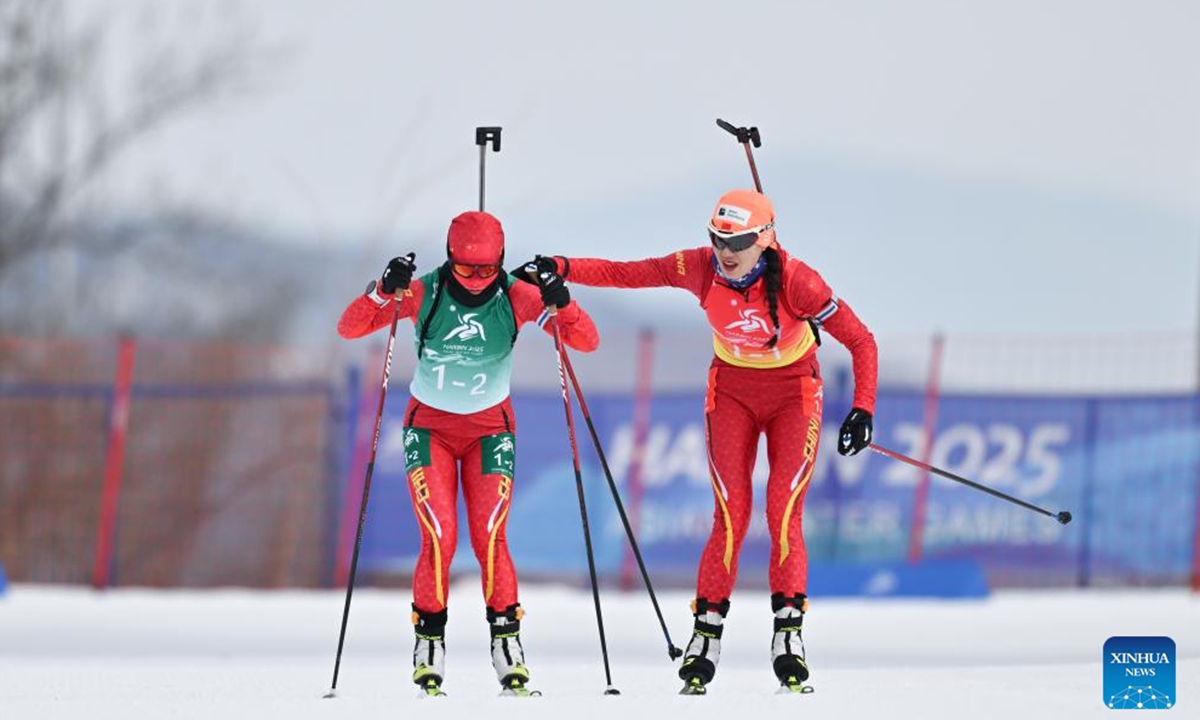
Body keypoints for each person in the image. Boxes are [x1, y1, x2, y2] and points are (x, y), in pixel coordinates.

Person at [518, 189, 877, 694]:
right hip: (731, 391)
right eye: (718, 238)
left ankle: (788, 634)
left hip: (794, 393)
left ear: (766, 239)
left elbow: (861, 339)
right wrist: (561, 265)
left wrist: (863, 408)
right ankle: (706, 635)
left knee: (783, 511)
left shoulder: (800, 281)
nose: (726, 252)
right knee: (730, 512)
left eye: (740, 241)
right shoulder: (699, 266)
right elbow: (630, 273)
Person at [338, 210, 599, 697]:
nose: (477, 281)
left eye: (486, 271)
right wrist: (380, 290)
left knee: (489, 536)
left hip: (490, 432)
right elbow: (349, 329)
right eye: (466, 270)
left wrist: (563, 303)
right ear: (449, 259)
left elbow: (586, 341)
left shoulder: (516, 295)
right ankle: (429, 642)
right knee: (439, 532)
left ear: (501, 261)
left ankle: (507, 645)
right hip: (429, 429)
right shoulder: (424, 292)